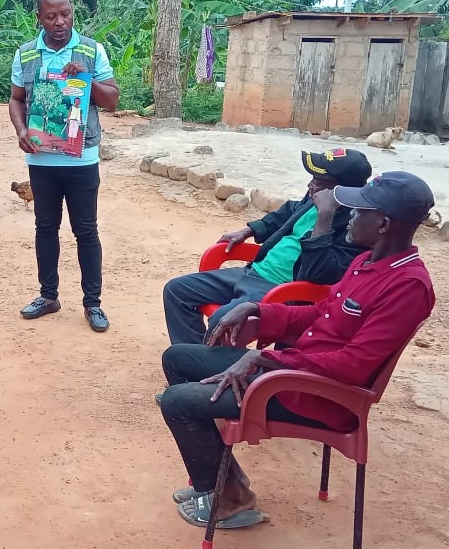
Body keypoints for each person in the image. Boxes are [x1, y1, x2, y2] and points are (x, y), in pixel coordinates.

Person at [158, 171, 435, 529]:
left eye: (359, 210)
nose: (349, 215)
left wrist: (267, 358)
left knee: (177, 402)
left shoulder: (408, 286)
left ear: (383, 224)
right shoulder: (367, 261)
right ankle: (228, 484)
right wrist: (259, 309)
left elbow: (354, 365)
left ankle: (230, 502)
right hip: (294, 374)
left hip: (319, 395)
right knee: (177, 359)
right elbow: (321, 312)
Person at [163, 148, 373, 345]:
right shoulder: (314, 198)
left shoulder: (357, 228)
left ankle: (202, 372)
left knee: (222, 319)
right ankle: (192, 362)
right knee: (177, 290)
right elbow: (288, 211)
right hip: (254, 271)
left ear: (342, 189)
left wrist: (324, 218)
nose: (310, 184)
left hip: (282, 290)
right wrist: (251, 230)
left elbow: (321, 273)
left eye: (319, 180)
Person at [8, 0, 119, 332]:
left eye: (65, 13)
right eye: (51, 16)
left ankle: (93, 304)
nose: (60, 22)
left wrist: (85, 79)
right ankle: (48, 295)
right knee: (45, 229)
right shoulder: (25, 55)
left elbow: (112, 100)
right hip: (42, 161)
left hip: (81, 158)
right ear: (39, 18)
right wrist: (21, 129)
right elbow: (15, 99)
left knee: (86, 231)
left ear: (72, 12)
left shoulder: (91, 50)